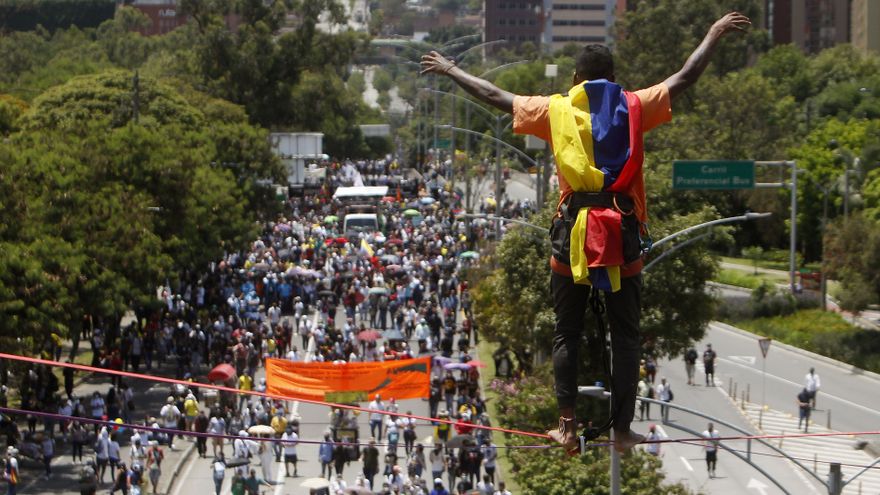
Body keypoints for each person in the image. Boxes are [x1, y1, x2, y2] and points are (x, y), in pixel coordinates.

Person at [421, 11, 751, 455]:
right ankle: (622, 430)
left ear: (576, 78)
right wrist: (713, 32)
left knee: (566, 333)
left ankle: (567, 425)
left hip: (571, 235)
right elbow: (685, 77)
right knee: (627, 335)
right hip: (623, 234)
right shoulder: (636, 104)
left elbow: (495, 95)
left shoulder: (554, 109)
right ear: (614, 78)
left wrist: (451, 69)